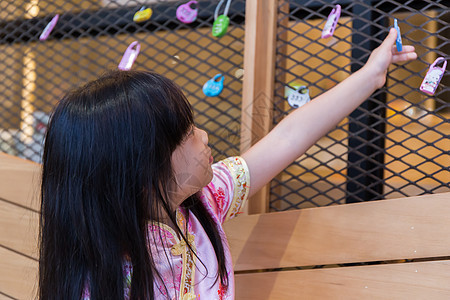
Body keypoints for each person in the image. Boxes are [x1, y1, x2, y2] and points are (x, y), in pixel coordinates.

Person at [39, 28, 416, 300]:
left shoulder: (203, 200)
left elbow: (288, 137)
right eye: (186, 134)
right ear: (139, 170)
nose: (203, 135)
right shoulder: (99, 279)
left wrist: (370, 76)